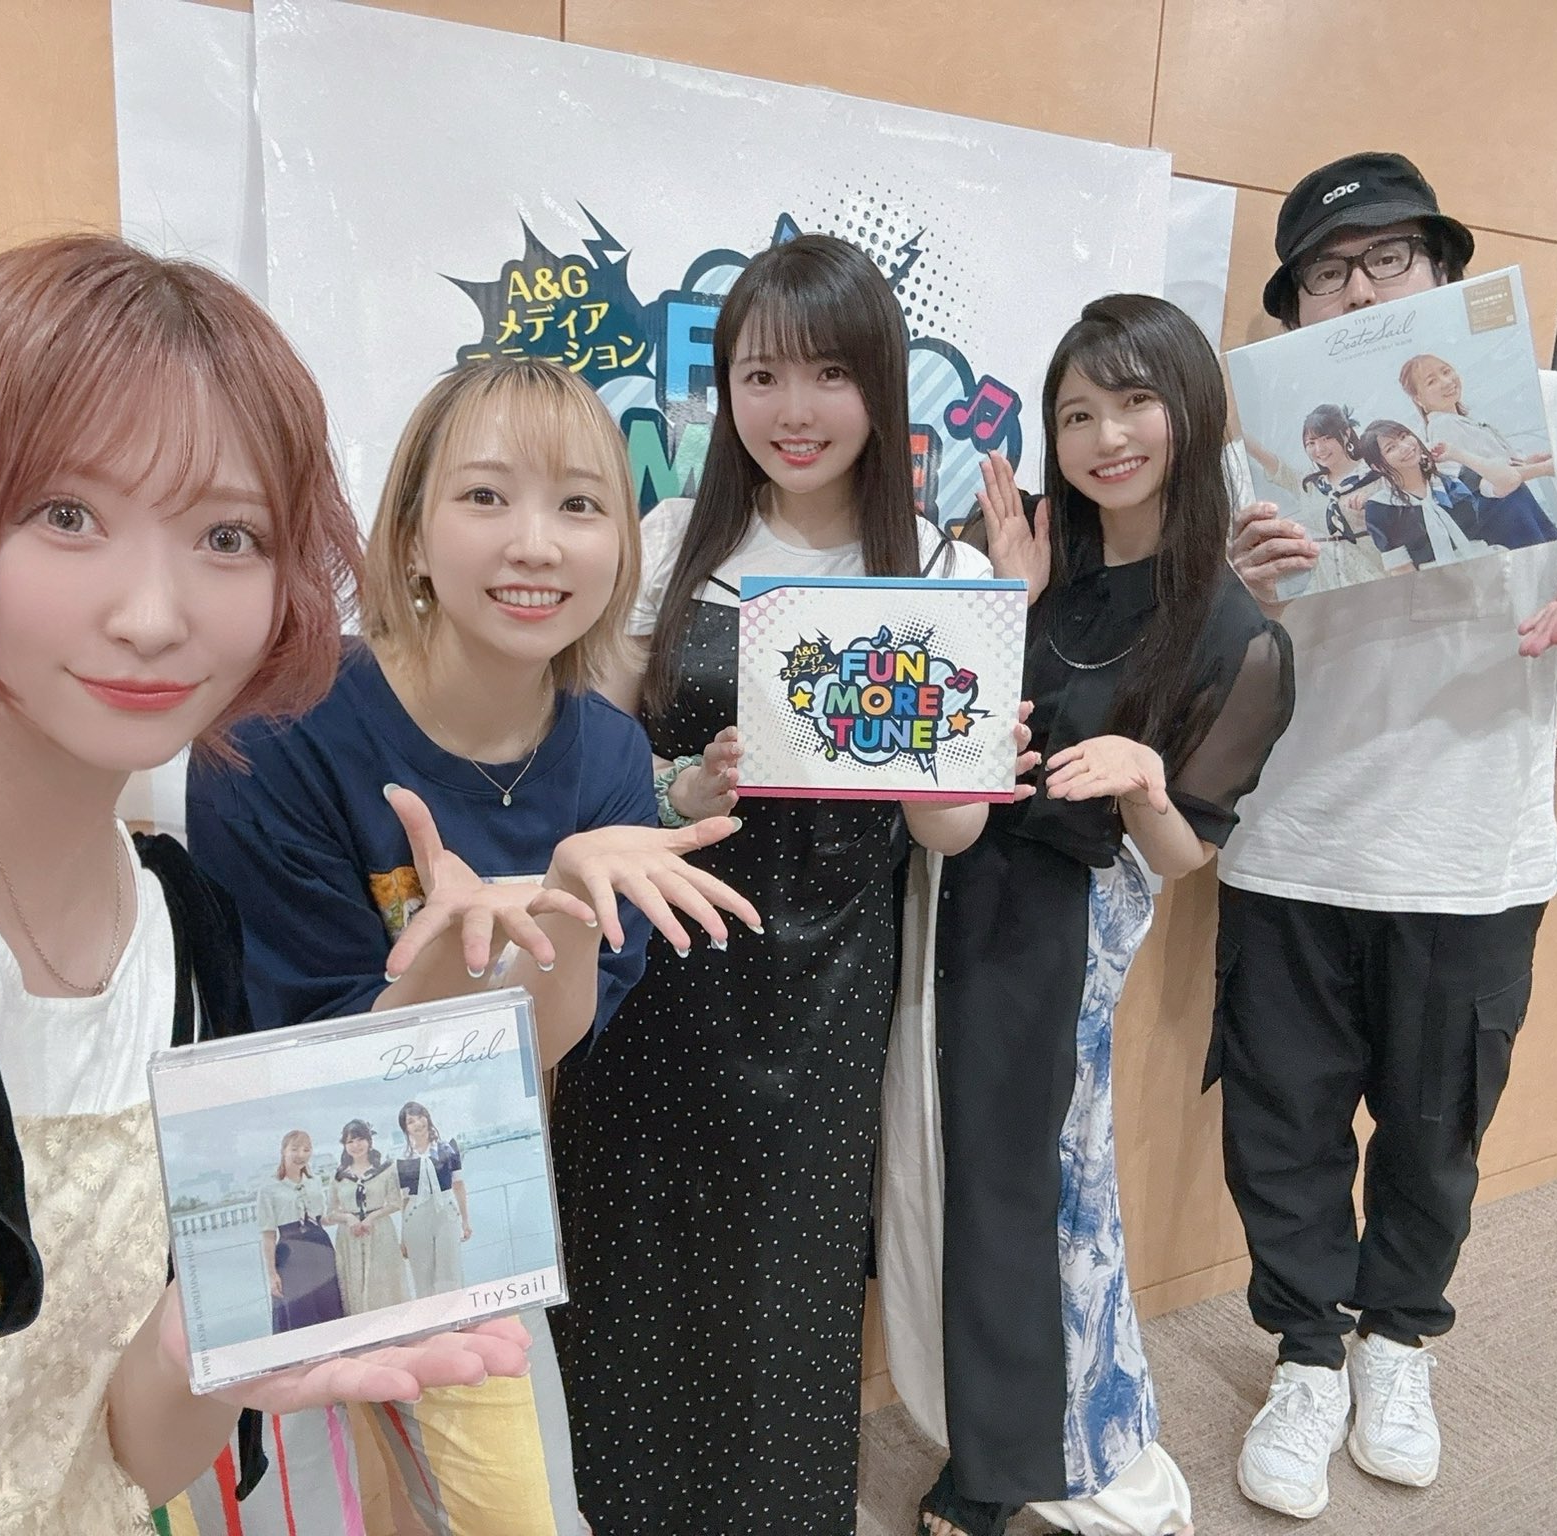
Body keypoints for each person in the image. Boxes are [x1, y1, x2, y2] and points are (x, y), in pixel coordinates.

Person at [0, 236, 533, 1536]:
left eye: (227, 536)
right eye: (67, 515)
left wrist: (220, 1336)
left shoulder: (179, 928)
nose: (154, 614)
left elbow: (128, 1457)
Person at [186, 355, 762, 1536]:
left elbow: (540, 1048)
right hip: (265, 1201)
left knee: (526, 1516)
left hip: (449, 1198)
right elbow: (308, 1061)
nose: (534, 545)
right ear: (410, 535)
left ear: (620, 549)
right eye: (486, 496)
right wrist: (462, 944)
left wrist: (560, 909)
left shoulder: (609, 758)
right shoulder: (275, 735)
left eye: (579, 505)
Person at [1221, 152, 1557, 1521]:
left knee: (1435, 1139)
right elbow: (1226, 665)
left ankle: (1396, 1345)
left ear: (1442, 274)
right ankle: (1306, 1357)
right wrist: (1239, 595)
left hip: (1475, 857)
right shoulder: (1259, 457)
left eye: (1389, 260)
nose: (1361, 291)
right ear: (1295, 313)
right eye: (1326, 274)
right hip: (1291, 847)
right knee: (1283, 1132)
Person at [551, 232, 1015, 1535]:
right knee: (629, 1268)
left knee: (783, 1294)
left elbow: (949, 834)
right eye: (761, 376)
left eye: (827, 374)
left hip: (825, 991)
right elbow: (597, 757)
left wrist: (949, 747)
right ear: (725, 390)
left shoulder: (944, 574)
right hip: (651, 974)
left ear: (879, 384)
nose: (793, 410)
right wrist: (677, 785)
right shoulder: (664, 540)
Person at [894, 295, 1294, 1536]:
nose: (1104, 437)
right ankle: (983, 1418)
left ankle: (1004, 1463)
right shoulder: (1029, 557)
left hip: (1058, 919)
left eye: (1132, 402)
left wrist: (1142, 781)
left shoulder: (1233, 630)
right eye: (1075, 414)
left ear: (1192, 412)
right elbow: (945, 713)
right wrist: (1000, 600)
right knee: (935, 1167)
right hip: (937, 881)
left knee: (1015, 1181)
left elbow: (1183, 856)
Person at [1399, 353, 1557, 549]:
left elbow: (1490, 466)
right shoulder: (1444, 426)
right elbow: (1477, 482)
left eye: (1446, 371)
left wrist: (1527, 462)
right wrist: (1545, 468)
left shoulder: (1457, 421)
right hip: (1505, 515)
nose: (1446, 381)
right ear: (1418, 399)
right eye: (1431, 381)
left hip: (1515, 508)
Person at [1243, 405, 1384, 589]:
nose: (1319, 449)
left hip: (1378, 576)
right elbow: (1268, 460)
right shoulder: (1309, 485)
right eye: (1311, 443)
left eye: (1327, 438)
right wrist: (1235, 430)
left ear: (1346, 434)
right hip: (1328, 584)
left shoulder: (1376, 473)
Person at [1352, 419, 1496, 570]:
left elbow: (1507, 481)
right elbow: (1402, 570)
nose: (1405, 447)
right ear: (1378, 467)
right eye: (1391, 448)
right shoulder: (1381, 507)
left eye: (1403, 436)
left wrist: (1458, 455)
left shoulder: (1450, 481)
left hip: (1487, 564)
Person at [262, 1130, 347, 1331]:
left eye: (306, 1150)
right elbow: (268, 1235)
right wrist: (272, 1274)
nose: (301, 1154)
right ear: (283, 1150)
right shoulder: (269, 1188)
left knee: (328, 1304)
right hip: (291, 1254)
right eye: (295, 1149)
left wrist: (346, 1217)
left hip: (320, 1248)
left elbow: (320, 1217)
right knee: (299, 1309)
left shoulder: (314, 1181)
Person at [331, 1119, 409, 1313]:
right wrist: (349, 1219)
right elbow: (330, 1211)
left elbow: (395, 1203)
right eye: (350, 1141)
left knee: (383, 1283)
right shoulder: (339, 1176)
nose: (356, 1146)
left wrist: (371, 1218)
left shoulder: (386, 1170)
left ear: (369, 1141)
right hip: (350, 1236)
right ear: (344, 1145)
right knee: (355, 1286)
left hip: (380, 1231)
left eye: (360, 1140)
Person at [396, 1101, 469, 1295]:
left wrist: (465, 1221)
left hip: (447, 1212)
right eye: (411, 1121)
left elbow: (458, 1184)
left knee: (450, 1272)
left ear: (427, 1118)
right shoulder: (403, 1159)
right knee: (422, 1276)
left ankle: (456, 1312)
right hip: (416, 1217)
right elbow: (404, 1199)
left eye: (420, 1117)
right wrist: (403, 1238)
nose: (417, 1123)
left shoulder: (448, 1148)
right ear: (405, 1128)